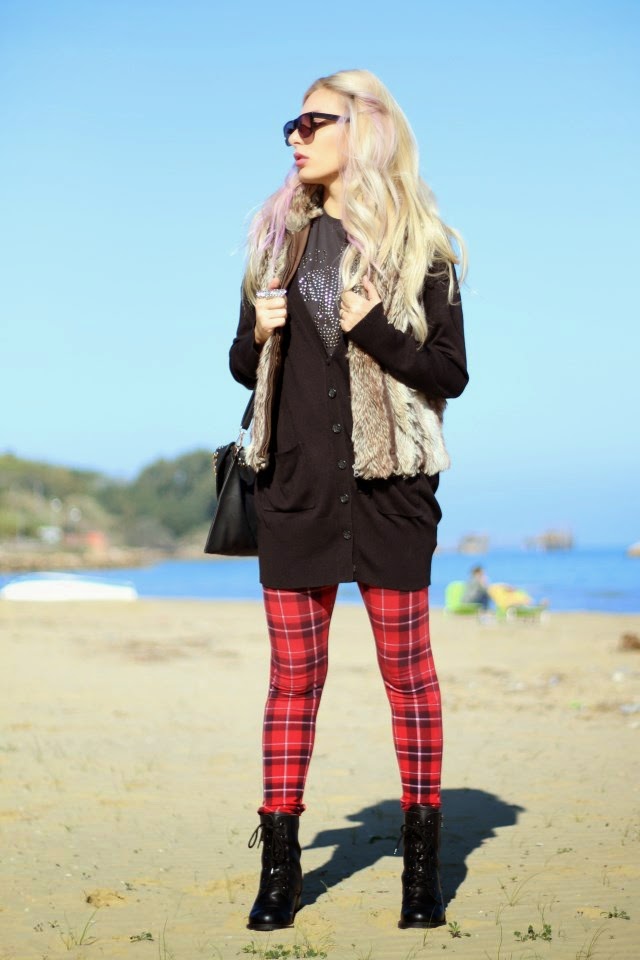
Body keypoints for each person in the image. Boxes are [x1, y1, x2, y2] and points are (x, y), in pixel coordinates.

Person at [229, 69, 468, 933]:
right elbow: (240, 365)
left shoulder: (421, 247)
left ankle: (420, 872)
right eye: (290, 125)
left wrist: (373, 326)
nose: (294, 137)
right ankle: (281, 872)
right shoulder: (276, 244)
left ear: (362, 127)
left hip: (391, 492)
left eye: (312, 122)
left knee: (409, 678)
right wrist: (257, 333)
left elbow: (449, 374)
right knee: (293, 683)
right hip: (294, 490)